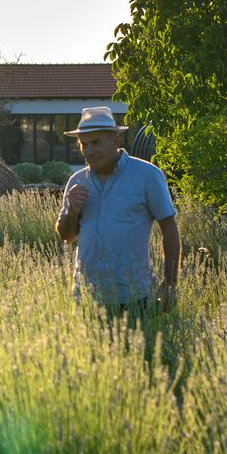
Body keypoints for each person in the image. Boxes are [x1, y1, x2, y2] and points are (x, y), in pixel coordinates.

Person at [54, 106, 179, 308]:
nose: (89, 151)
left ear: (115, 141)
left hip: (133, 295)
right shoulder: (77, 181)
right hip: (86, 296)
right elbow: (66, 236)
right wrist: (72, 211)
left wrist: (170, 283)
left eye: (96, 143)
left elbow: (169, 228)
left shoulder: (146, 175)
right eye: (83, 145)